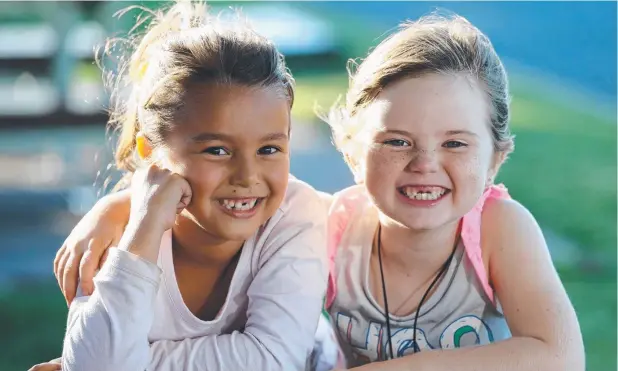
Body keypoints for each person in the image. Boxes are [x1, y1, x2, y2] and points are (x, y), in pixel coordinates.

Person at [48, 11, 585, 371]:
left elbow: (560, 354)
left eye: (455, 144)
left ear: (498, 155)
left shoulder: (496, 227)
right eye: (397, 141)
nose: (425, 165)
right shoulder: (331, 225)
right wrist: (121, 206)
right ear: (350, 149)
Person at [30, 2, 331, 370]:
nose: (247, 176)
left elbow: (274, 360)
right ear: (151, 152)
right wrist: (142, 226)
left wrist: (132, 362)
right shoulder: (115, 236)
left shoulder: (294, 213)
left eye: (269, 148)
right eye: (217, 150)